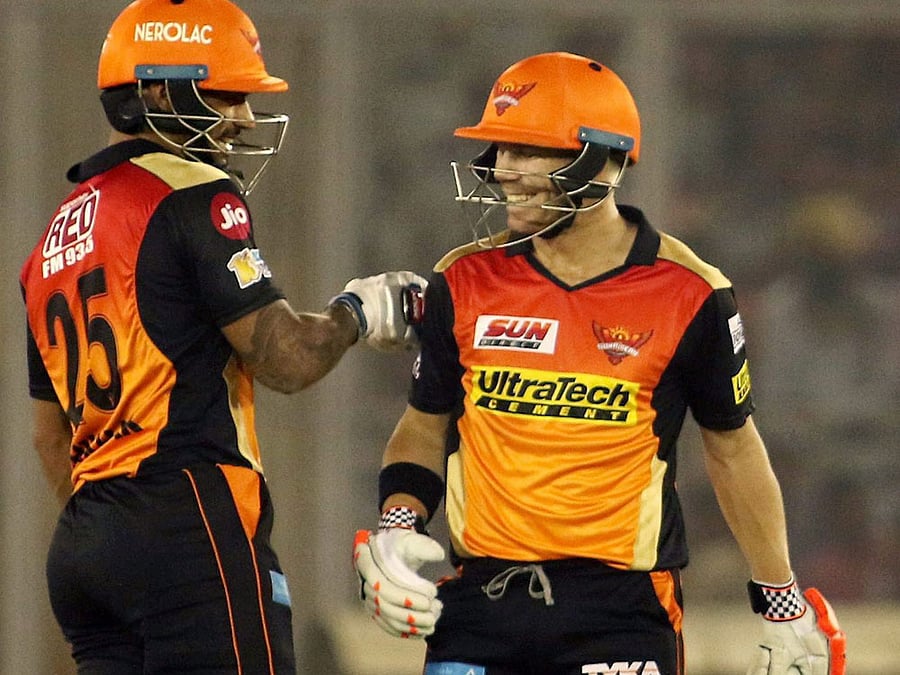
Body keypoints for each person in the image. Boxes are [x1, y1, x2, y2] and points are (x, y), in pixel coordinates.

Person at [352, 52, 846, 675]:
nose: (506, 171)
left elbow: (733, 449)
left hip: (621, 613)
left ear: (603, 159)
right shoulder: (464, 278)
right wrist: (398, 524)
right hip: (478, 605)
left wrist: (781, 601)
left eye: (529, 151)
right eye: (502, 150)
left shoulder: (691, 292)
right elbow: (425, 424)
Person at [20, 1, 424, 673]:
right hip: (187, 516)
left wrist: (117, 529)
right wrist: (359, 309)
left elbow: (48, 437)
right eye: (224, 94)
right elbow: (286, 358)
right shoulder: (191, 189)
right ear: (153, 90)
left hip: (83, 540)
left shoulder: (49, 241)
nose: (238, 117)